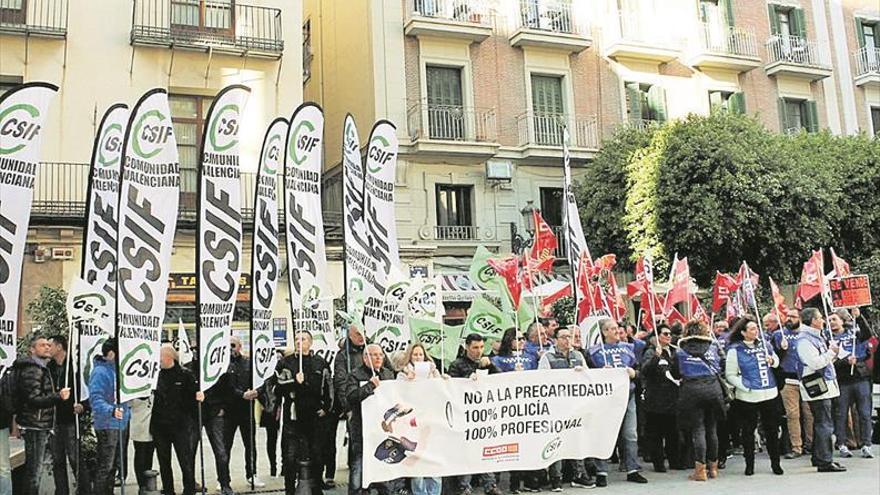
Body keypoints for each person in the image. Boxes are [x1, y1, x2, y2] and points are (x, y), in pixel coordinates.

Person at [585, 319, 647, 486]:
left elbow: (641, 369)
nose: (617, 332)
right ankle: (601, 471)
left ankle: (632, 468)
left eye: (618, 329)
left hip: (628, 395)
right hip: (606, 398)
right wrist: (599, 373)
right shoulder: (593, 352)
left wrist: (634, 373)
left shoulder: (630, 348)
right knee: (604, 433)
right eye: (612, 329)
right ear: (604, 332)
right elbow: (587, 375)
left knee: (630, 433)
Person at [724, 317, 784, 476]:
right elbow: (730, 374)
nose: (755, 331)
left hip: (769, 392)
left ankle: (775, 463)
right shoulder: (735, 349)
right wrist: (745, 386)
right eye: (751, 329)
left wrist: (772, 361)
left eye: (756, 328)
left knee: (771, 430)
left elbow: (777, 361)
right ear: (743, 332)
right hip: (748, 397)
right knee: (748, 431)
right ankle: (749, 464)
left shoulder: (765, 344)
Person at [538, 328, 596, 490]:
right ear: (555, 339)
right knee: (556, 441)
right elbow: (542, 381)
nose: (567, 340)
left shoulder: (578, 356)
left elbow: (589, 378)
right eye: (563, 337)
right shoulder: (547, 358)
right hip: (556, 406)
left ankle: (579, 474)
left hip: (575, 406)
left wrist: (581, 373)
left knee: (577, 439)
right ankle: (556, 477)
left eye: (569, 337)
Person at [276, 331, 333, 494]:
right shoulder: (286, 363)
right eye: (296, 339)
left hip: (314, 416)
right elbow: (277, 387)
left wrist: (327, 408)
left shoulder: (320, 363)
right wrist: (295, 382)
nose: (299, 342)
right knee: (290, 456)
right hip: (293, 417)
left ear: (310, 343)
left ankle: (316, 487)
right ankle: (289, 490)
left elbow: (329, 387)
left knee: (317, 454)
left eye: (303, 339)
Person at [14, 335, 71, 495]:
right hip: (34, 425)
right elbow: (33, 399)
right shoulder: (33, 369)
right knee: (34, 472)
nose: (47, 347)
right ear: (32, 349)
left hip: (40, 424)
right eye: (42, 345)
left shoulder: (41, 368)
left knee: (34, 470)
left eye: (48, 345)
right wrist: (58, 396)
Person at [448, 334, 503, 495]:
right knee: (467, 451)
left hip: (485, 414)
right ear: (467, 347)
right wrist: (467, 379)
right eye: (475, 347)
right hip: (465, 415)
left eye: (481, 347)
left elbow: (503, 381)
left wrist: (491, 366)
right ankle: (464, 486)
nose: (478, 351)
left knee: (486, 450)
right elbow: (451, 387)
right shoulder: (457, 364)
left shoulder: (486, 362)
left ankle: (490, 485)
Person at [795, 307, 846, 473]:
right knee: (824, 424)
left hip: (824, 385)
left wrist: (833, 353)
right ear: (813, 321)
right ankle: (825, 460)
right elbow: (815, 363)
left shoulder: (815, 336)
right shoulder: (804, 340)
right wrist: (831, 353)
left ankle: (819, 457)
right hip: (817, 387)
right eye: (820, 318)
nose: (823, 320)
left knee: (821, 422)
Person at [675, 321, 726, 482]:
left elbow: (674, 372)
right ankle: (713, 468)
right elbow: (722, 365)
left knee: (698, 429)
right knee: (712, 429)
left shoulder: (680, 350)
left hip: (691, 391)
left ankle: (700, 470)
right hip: (713, 390)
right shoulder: (713, 347)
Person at [345, 344, 395, 495]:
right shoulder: (355, 375)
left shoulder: (388, 374)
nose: (378, 357)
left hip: (382, 429)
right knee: (359, 465)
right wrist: (370, 386)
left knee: (384, 462)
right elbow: (351, 397)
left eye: (380, 354)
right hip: (362, 428)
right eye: (374, 355)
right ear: (365, 358)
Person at [153, 343, 202, 495]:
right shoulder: (155, 375)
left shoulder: (185, 374)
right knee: (163, 460)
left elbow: (193, 399)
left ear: (169, 357)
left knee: (185, 460)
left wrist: (198, 400)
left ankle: (189, 489)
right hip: (160, 426)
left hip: (181, 425)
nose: (158, 360)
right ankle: (168, 489)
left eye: (160, 356)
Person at [47, 335, 90, 494]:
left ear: (59, 347)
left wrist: (83, 406)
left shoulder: (74, 368)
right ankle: (61, 491)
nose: (48, 349)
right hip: (54, 420)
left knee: (75, 460)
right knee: (57, 461)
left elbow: (86, 389)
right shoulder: (48, 369)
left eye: (50, 345)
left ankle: (85, 491)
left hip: (71, 419)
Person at [397, 343, 442, 495]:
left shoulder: (433, 372)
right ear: (410, 356)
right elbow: (398, 396)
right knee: (417, 462)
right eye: (415, 355)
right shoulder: (403, 375)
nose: (418, 357)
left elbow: (442, 390)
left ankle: (434, 492)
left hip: (431, 422)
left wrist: (439, 377)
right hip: (412, 424)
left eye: (420, 354)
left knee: (434, 462)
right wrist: (408, 383)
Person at [89, 338, 131, 495]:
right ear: (112, 353)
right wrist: (111, 410)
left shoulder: (116, 369)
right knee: (105, 467)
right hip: (108, 423)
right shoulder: (100, 372)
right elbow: (95, 398)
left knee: (112, 466)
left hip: (120, 421)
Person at [829, 309, 874, 459]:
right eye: (829, 320)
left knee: (865, 413)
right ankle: (842, 444)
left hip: (860, 378)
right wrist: (844, 362)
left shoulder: (854, 333)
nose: (831, 322)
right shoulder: (827, 339)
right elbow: (829, 362)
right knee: (841, 413)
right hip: (842, 380)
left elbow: (868, 335)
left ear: (842, 321)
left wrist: (858, 316)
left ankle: (866, 444)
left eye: (834, 319)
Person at [772, 308, 813, 458]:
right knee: (792, 414)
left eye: (793, 316)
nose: (789, 318)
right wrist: (781, 350)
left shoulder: (807, 335)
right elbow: (773, 360)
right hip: (788, 379)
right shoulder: (778, 335)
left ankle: (811, 444)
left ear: (800, 319)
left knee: (809, 414)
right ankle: (796, 447)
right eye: (788, 316)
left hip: (807, 378)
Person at [640, 324, 681, 472]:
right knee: (656, 433)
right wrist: (656, 357)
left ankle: (675, 460)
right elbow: (645, 371)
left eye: (670, 333)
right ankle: (658, 463)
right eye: (665, 333)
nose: (669, 336)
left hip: (673, 398)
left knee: (673, 432)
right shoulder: (650, 352)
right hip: (655, 398)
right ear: (656, 337)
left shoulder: (674, 351)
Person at [225, 336, 264, 488]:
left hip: (246, 410)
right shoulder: (222, 365)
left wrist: (256, 392)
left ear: (240, 346)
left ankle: (252, 474)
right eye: (228, 346)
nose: (231, 349)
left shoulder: (249, 363)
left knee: (250, 444)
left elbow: (260, 381)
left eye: (233, 345)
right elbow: (223, 387)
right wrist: (241, 394)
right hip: (229, 410)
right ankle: (223, 478)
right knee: (225, 446)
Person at [258, 372, 282, 478]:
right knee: (272, 439)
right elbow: (260, 391)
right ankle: (273, 467)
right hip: (271, 410)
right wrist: (266, 404)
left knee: (285, 440)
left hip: (283, 408)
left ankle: (284, 466)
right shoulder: (267, 376)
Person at [130, 396, 155, 492]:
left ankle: (148, 482)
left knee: (149, 454)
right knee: (141, 454)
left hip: (154, 421)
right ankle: (142, 485)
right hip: (139, 421)